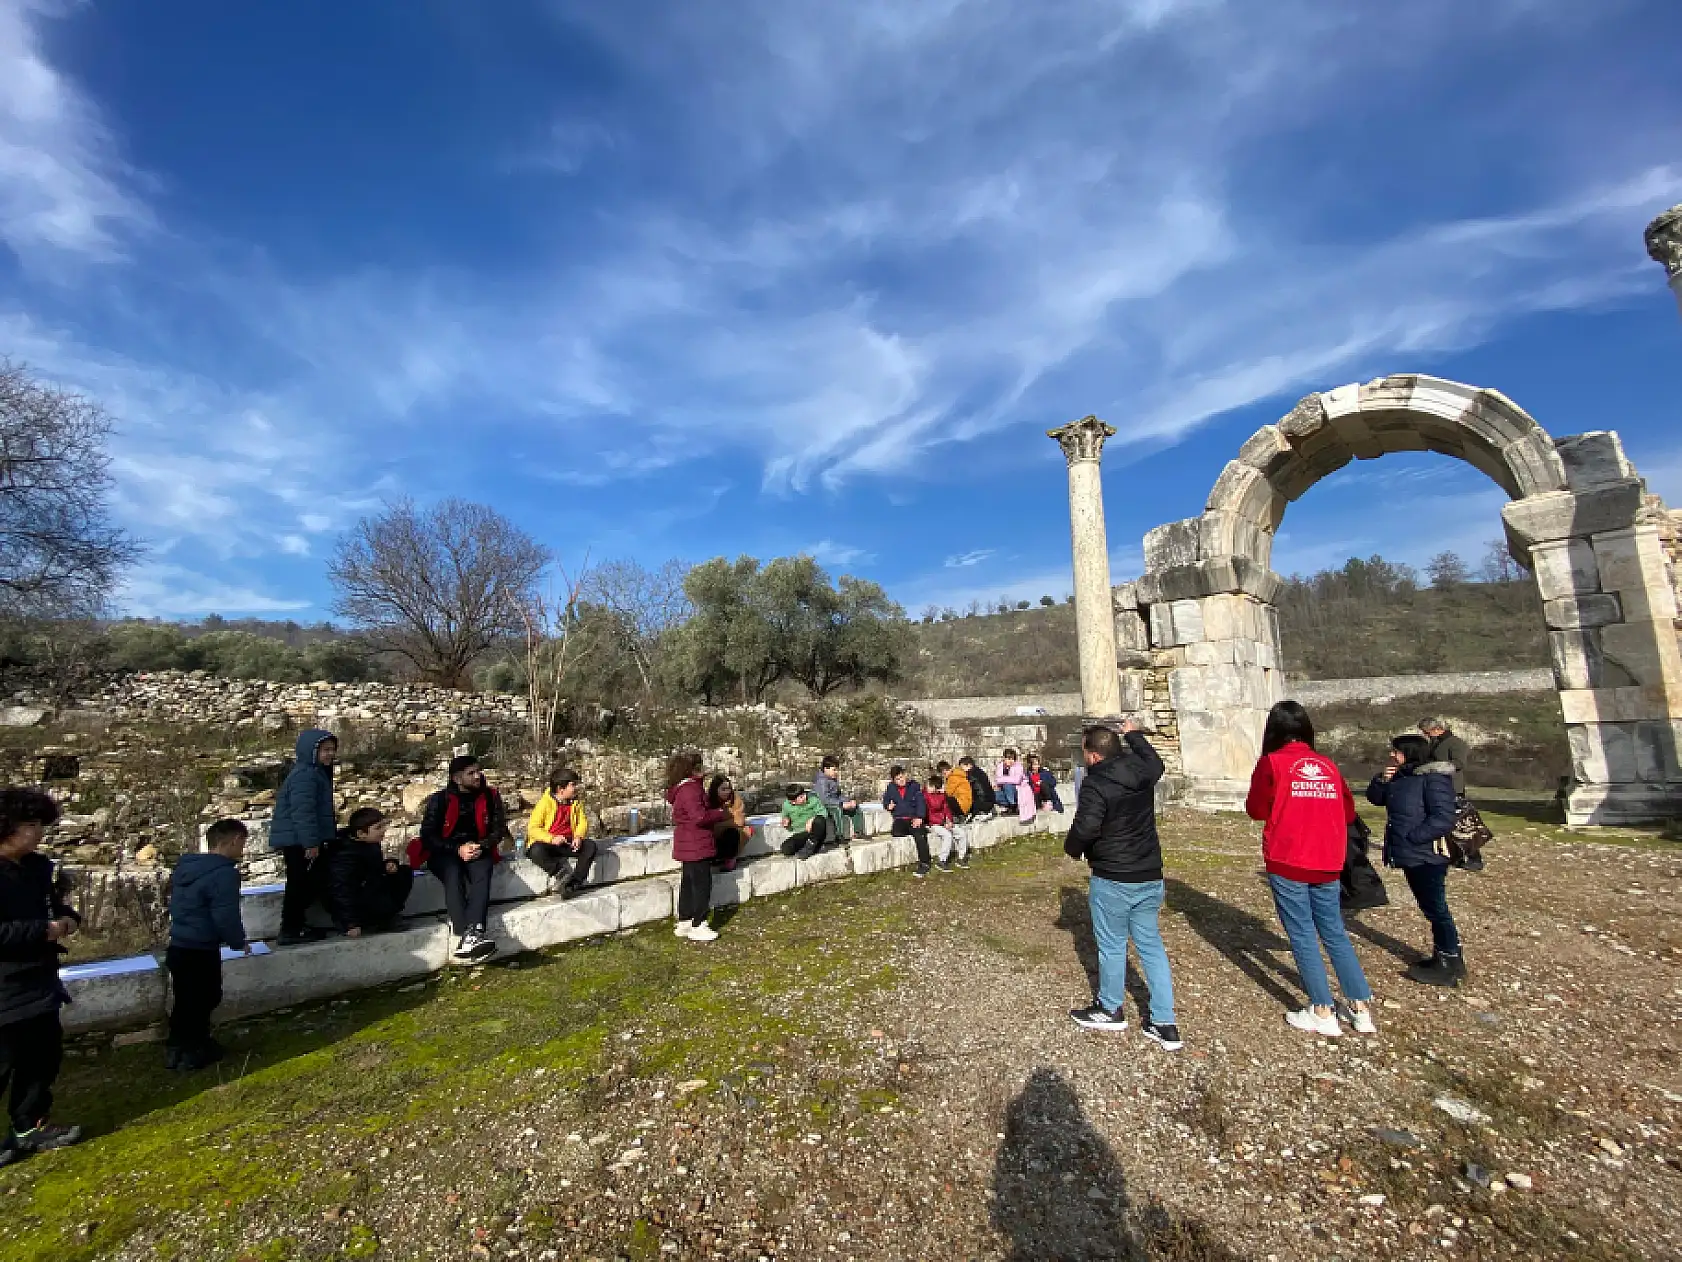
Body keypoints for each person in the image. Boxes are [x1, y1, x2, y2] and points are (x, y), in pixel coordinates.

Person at [1245, 701, 1377, 1038]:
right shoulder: (1328, 765)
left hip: (1289, 857)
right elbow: (1348, 811)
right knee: (1334, 931)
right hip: (1328, 859)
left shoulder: (1272, 763)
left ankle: (1321, 1009)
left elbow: (1256, 809)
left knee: (1302, 933)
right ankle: (1360, 1008)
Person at [1064, 723, 1181, 1050]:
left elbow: (1086, 827)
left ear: (1094, 755)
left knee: (1112, 945)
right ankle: (1164, 1022)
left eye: (1086, 752)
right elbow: (1156, 762)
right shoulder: (1141, 771)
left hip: (1114, 876)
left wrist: (1072, 848)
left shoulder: (1096, 784)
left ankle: (1109, 1009)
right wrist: (1134, 734)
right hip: (1149, 873)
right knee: (1151, 945)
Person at [0, 787, 82, 1164]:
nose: (37, 833)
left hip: (39, 980)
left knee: (41, 1058)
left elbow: (54, 905)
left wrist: (67, 919)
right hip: (4, 986)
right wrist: (40, 930)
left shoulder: (37, 867)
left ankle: (30, 1124)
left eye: (40, 824)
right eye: (29, 824)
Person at [1369, 734, 1464, 987]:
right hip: (1411, 854)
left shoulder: (1433, 779)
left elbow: (1444, 817)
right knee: (1430, 906)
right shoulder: (1402, 777)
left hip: (1426, 855)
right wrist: (1382, 779)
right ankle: (1445, 954)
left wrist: (1414, 837)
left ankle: (1449, 961)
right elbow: (1375, 798)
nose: (1391, 755)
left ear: (1409, 753)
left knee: (1436, 907)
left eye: (1396, 751)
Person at [166, 818, 250, 1073]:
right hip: (201, 948)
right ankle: (193, 1052)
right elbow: (225, 914)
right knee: (205, 998)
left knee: (185, 1001)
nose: (242, 851)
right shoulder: (224, 873)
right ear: (234, 840)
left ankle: (179, 1048)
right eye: (242, 844)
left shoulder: (187, 868)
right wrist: (238, 942)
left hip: (179, 944)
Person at [414, 756, 506, 964]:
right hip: (445, 852)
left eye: (478, 771)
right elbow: (428, 836)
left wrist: (481, 846)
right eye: (471, 773)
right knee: (452, 873)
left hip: (478, 848)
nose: (477, 776)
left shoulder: (490, 796)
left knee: (482, 871)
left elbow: (499, 829)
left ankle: (473, 933)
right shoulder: (439, 800)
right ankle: (467, 933)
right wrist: (457, 849)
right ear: (456, 778)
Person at [267, 728, 338, 946]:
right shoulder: (305, 776)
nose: (330, 754)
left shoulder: (315, 772)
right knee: (299, 885)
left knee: (309, 882)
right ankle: (290, 929)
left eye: (332, 750)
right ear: (311, 751)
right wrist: (311, 842)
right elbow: (303, 812)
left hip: (302, 840)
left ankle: (297, 925)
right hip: (298, 842)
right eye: (325, 750)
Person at [327, 808, 413, 936]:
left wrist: (390, 863)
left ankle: (388, 916)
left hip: (369, 889)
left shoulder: (371, 842)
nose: (384, 830)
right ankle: (379, 919)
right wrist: (350, 923)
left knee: (403, 873)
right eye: (378, 827)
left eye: (384, 825)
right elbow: (341, 889)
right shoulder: (344, 856)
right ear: (361, 833)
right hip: (357, 901)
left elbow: (374, 867)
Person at [666, 752, 724, 942]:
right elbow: (699, 816)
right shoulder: (691, 789)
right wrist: (719, 814)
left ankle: (685, 919)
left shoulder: (682, 788)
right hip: (697, 842)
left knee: (689, 882)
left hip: (687, 842)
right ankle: (699, 923)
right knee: (701, 884)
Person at [1419, 717, 1489, 872]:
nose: (1426, 735)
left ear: (1436, 729)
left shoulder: (1455, 743)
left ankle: (1475, 859)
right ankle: (1454, 856)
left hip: (1453, 789)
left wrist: (1436, 767)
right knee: (1444, 825)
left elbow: (1459, 763)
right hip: (1437, 788)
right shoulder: (1435, 743)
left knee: (1462, 825)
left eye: (1427, 732)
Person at [524, 768, 596, 898]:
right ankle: (560, 873)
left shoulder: (575, 803)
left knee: (590, 846)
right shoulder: (544, 804)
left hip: (568, 842)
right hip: (549, 843)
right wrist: (551, 838)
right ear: (560, 789)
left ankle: (573, 884)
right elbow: (533, 828)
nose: (576, 788)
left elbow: (582, 822)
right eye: (572, 785)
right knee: (535, 850)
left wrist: (579, 836)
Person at [883, 766, 932, 877]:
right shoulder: (891, 788)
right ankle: (917, 830)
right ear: (893, 780)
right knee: (896, 832)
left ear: (905, 775)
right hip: (900, 819)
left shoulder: (914, 786)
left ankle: (925, 863)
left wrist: (919, 817)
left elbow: (921, 802)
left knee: (919, 835)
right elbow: (885, 800)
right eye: (897, 779)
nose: (901, 780)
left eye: (902, 777)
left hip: (914, 818)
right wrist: (888, 805)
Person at [812, 755, 868, 842]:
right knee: (837, 810)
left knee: (855, 808)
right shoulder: (821, 781)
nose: (836, 772)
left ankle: (859, 832)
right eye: (834, 770)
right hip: (824, 806)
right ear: (826, 769)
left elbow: (838, 795)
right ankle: (839, 835)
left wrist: (848, 801)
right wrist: (841, 804)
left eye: (837, 769)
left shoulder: (833, 780)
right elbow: (824, 799)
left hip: (835, 803)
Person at [707, 775, 754, 872]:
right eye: (723, 789)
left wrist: (720, 823)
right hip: (714, 838)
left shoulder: (736, 800)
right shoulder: (709, 802)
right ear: (716, 789)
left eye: (728, 788)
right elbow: (710, 824)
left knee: (732, 833)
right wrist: (730, 820)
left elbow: (740, 821)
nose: (727, 792)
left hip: (732, 835)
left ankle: (730, 859)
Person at [923, 776, 969, 872]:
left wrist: (949, 820)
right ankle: (942, 861)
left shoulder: (942, 795)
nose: (928, 787)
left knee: (961, 833)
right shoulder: (924, 796)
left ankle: (961, 857)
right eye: (928, 785)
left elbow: (946, 809)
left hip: (944, 822)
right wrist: (942, 822)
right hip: (933, 823)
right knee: (947, 835)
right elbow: (928, 814)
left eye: (930, 786)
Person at [777, 784, 830, 859]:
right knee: (786, 848)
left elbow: (824, 813)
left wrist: (812, 820)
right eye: (801, 797)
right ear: (793, 802)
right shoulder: (786, 806)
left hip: (815, 832)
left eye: (804, 794)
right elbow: (785, 819)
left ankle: (809, 848)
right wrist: (786, 822)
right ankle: (814, 847)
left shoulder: (813, 799)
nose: (804, 797)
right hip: (802, 834)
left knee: (819, 820)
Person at [994, 748, 1026, 813]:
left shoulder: (1018, 766)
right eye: (1008, 759)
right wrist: (1009, 779)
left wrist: (1004, 779)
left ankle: (1012, 805)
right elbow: (997, 780)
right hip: (1005, 792)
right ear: (1004, 758)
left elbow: (1017, 780)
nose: (1011, 761)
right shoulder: (1000, 767)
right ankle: (1012, 806)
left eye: (1012, 759)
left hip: (1018, 791)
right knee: (994, 795)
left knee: (1007, 785)